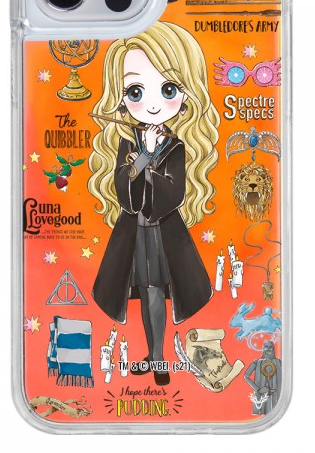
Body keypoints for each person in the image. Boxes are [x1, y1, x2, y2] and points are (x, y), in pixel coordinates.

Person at [88, 21, 220, 385]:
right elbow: (124, 192)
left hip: (164, 233)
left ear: (185, 95)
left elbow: (173, 194)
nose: (151, 103)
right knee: (147, 293)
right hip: (135, 233)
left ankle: (159, 357)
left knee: (157, 293)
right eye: (135, 91)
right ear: (121, 99)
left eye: (168, 89)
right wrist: (139, 160)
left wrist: (144, 163)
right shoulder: (126, 143)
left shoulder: (174, 146)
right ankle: (155, 354)